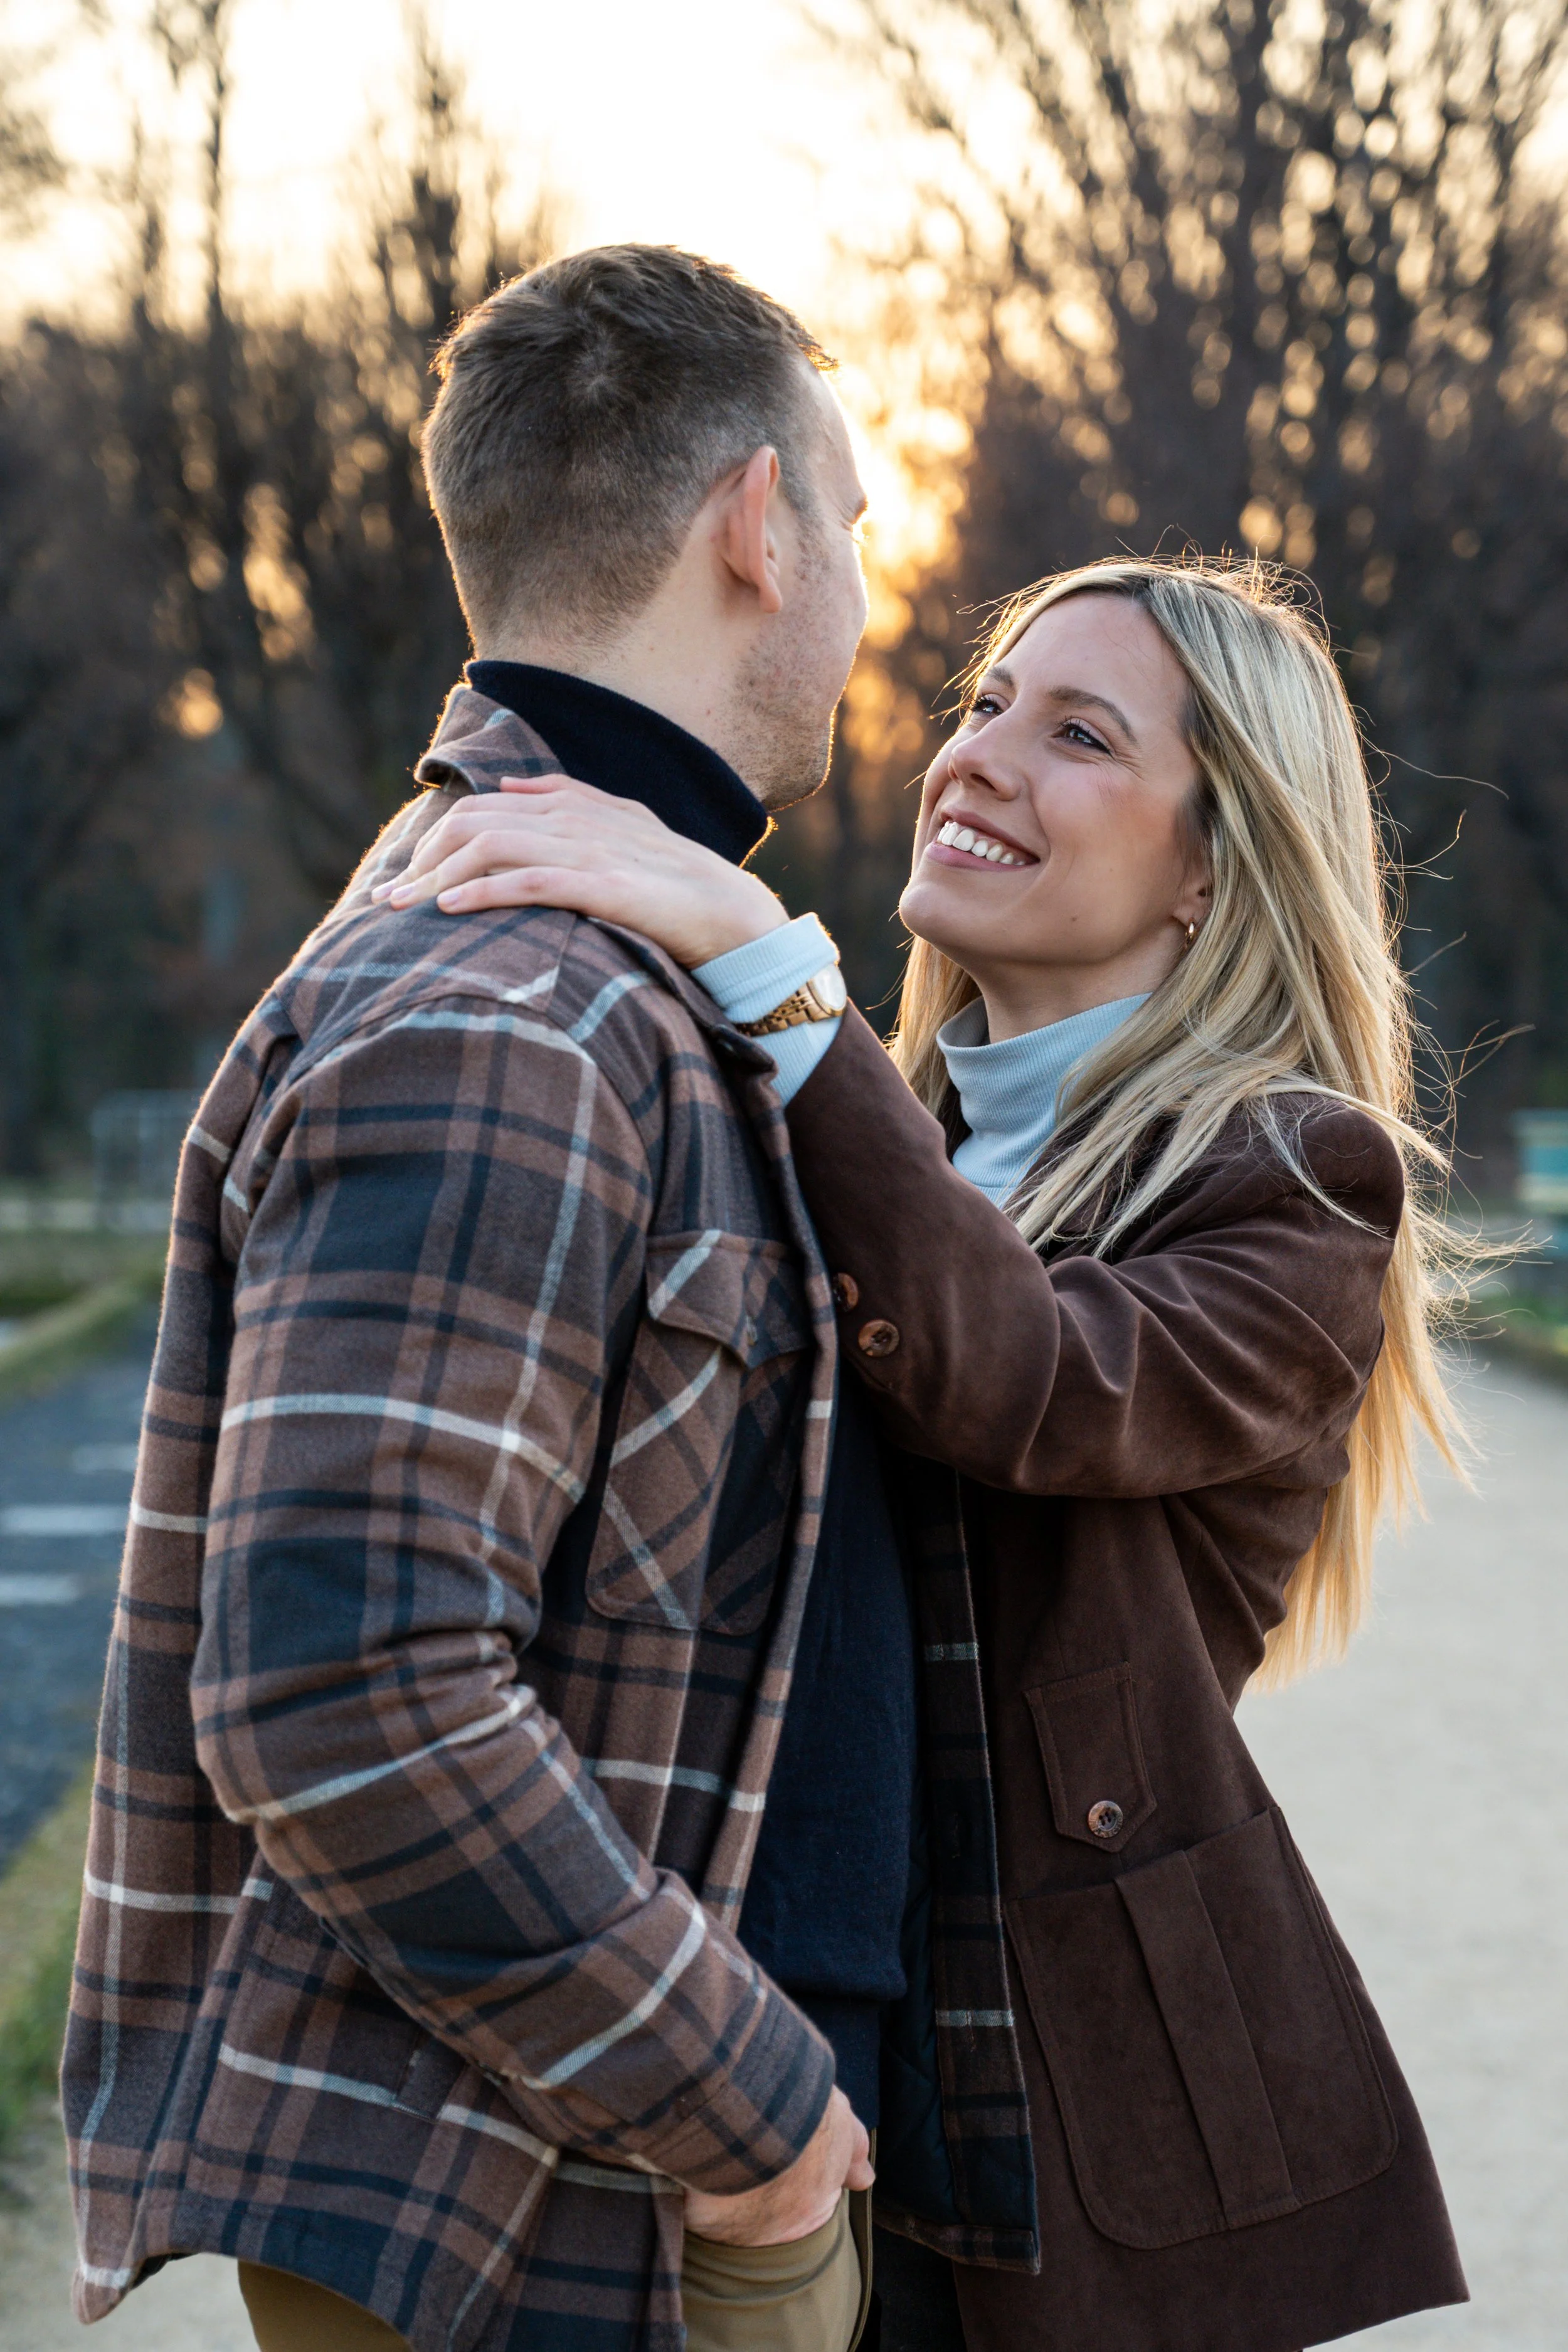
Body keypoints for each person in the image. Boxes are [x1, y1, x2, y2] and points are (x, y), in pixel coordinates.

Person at [381, 554, 1473, 2350]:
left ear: (1211, 865)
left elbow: (1022, 1380)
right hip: (751, 2015)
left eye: (1076, 734)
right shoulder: (821, 1118)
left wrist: (764, 962)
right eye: (981, 705)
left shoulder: (1292, 1184)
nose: (977, 759)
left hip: (1043, 2095)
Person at [58, 244, 977, 2352]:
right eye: (845, 518)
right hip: (542, 2215)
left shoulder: (603, 954)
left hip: (606, 2178)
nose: (853, 582)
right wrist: (750, 2105)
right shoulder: (514, 998)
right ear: (755, 524)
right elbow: (344, 1683)